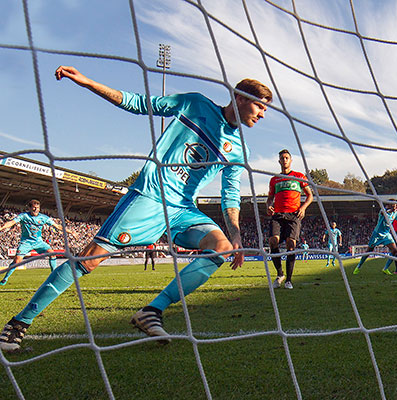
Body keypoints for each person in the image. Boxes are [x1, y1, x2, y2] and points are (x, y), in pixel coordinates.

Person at [0, 65, 272, 352]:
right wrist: (87, 81)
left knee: (221, 247)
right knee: (88, 261)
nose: (262, 114)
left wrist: (237, 235)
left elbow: (230, 194)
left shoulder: (240, 148)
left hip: (183, 209)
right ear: (240, 97)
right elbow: (139, 103)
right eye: (260, 106)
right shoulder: (195, 103)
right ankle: (16, 326)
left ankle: (152, 311)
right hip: (150, 196)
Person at [266, 149, 313, 289]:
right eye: (282, 158)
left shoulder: (299, 176)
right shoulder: (274, 179)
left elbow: (310, 196)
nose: (285, 160)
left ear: (291, 160)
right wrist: (269, 206)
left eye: (287, 157)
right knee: (273, 241)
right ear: (279, 161)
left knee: (290, 244)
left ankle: (289, 280)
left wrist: (303, 208)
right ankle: (280, 274)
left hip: (293, 215)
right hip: (278, 215)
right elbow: (269, 199)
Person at [0, 200, 72, 285]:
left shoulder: (43, 218)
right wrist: (2, 227)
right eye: (34, 208)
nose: (36, 210)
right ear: (29, 208)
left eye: (37, 208)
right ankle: (5, 279)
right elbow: (12, 222)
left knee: (52, 253)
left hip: (39, 242)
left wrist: (71, 232)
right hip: (26, 242)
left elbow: (57, 226)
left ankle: (53, 276)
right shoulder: (24, 216)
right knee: (17, 261)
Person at [353, 205, 397, 275]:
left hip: (386, 235)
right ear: (388, 206)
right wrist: (391, 210)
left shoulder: (396, 213)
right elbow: (384, 213)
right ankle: (358, 267)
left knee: (395, 250)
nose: (394, 207)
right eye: (393, 206)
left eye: (395, 206)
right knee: (369, 251)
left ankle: (385, 268)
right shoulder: (383, 210)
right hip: (377, 234)